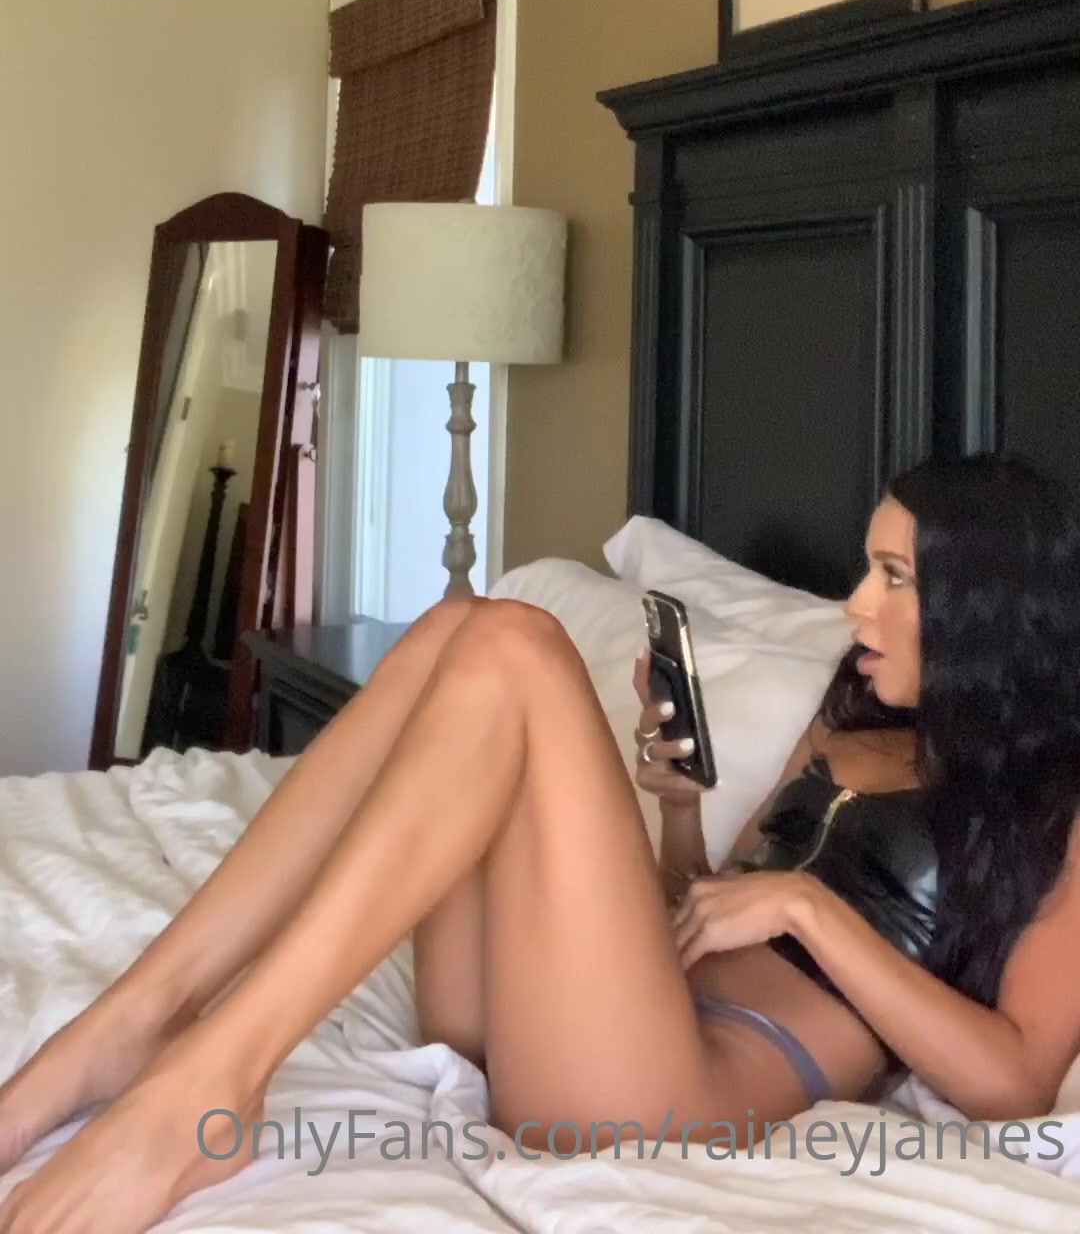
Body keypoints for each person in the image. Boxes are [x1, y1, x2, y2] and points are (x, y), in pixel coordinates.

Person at [2, 455, 1080, 1233]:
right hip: (578, 1023)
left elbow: (1020, 1080)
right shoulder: (852, 720)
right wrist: (675, 807)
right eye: (866, 569)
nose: (854, 605)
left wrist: (810, 910)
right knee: (457, 630)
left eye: (895, 577)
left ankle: (212, 1078)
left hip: (672, 1097)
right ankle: (135, 1020)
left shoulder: (1058, 803)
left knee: (515, 642)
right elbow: (701, 901)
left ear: (988, 605)